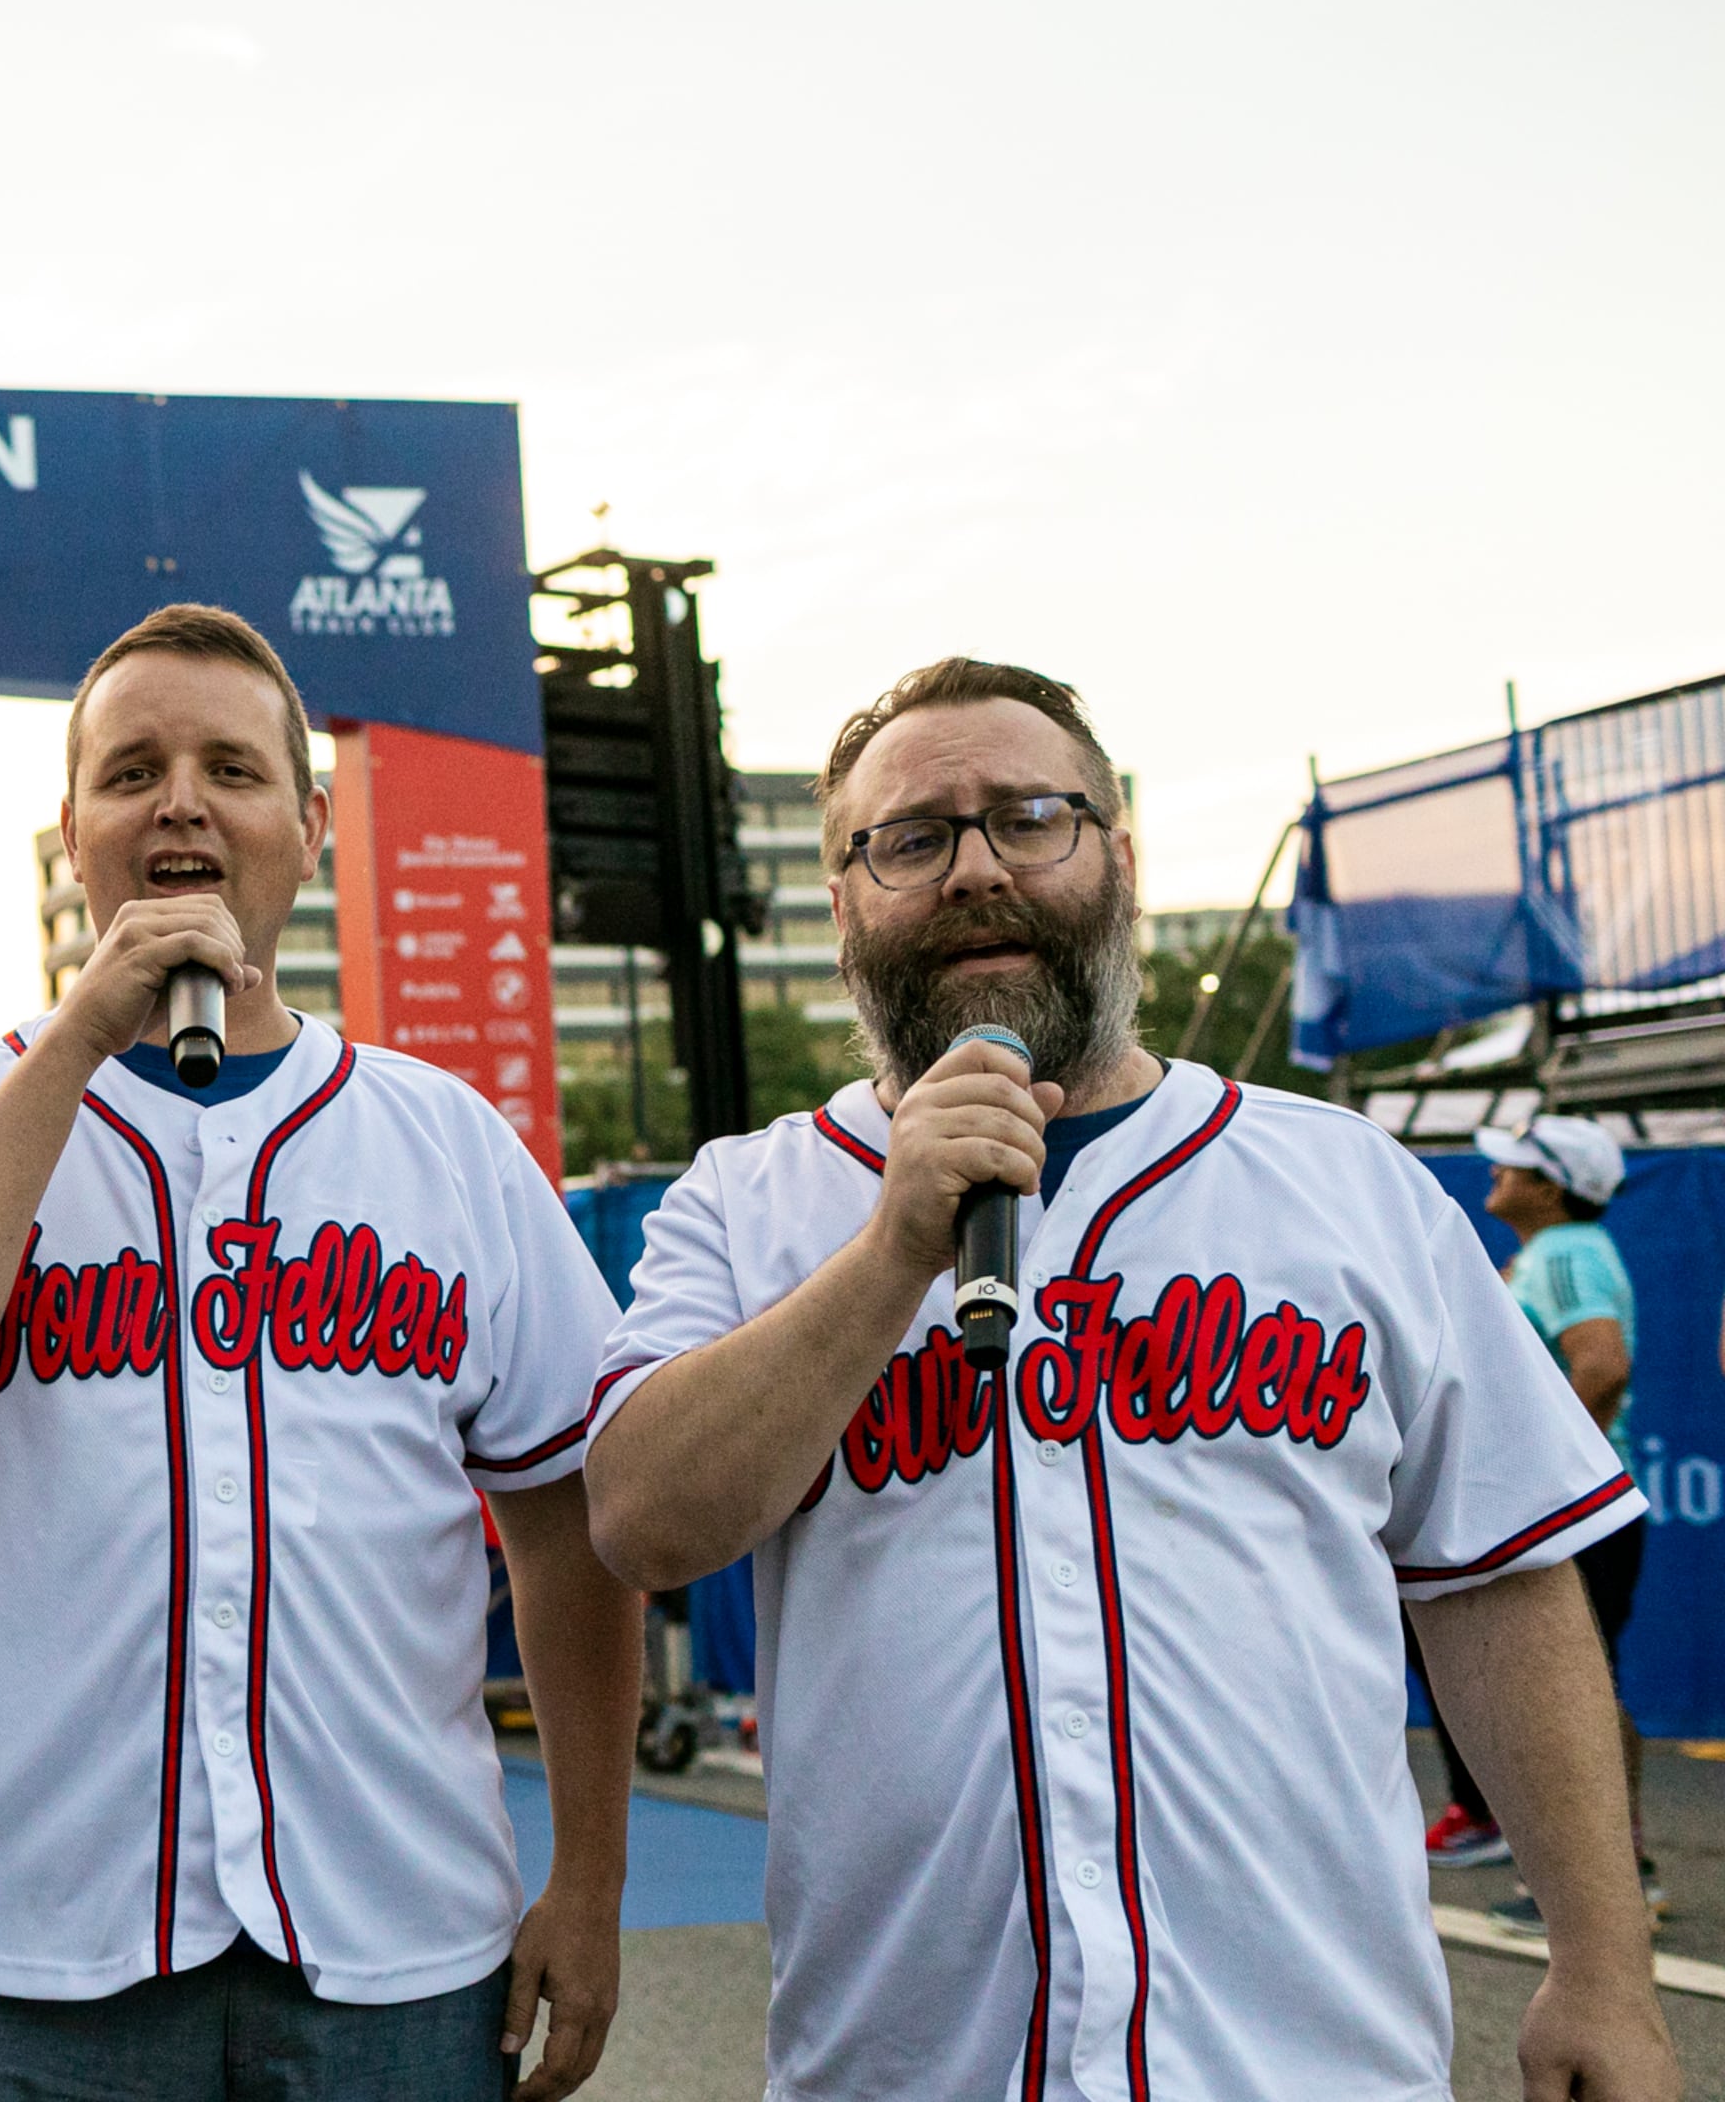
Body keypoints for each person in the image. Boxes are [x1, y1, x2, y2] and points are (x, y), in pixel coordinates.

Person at [579, 658, 1675, 2102]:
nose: (977, 868)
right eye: (911, 838)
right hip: (910, 2068)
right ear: (843, 903)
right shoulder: (746, 1202)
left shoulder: (1345, 1183)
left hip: (1306, 2063)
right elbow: (644, 1520)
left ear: (1120, 862)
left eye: (1030, 816)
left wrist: (1602, 1966)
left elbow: (1497, 1580)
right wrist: (893, 1252)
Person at [0, 605, 641, 2102]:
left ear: (309, 827)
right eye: (133, 771)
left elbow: (569, 1527)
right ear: (74, 834)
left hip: (392, 1943)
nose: (181, 799)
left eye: (232, 770)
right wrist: (81, 1036)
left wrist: (588, 1877)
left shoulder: (441, 1137)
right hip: (23, 1953)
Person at [1407, 1114, 1654, 1934]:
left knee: (1578, 1683)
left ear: (1549, 1190)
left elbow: (1603, 1363)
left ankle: (1623, 1878)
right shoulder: (1562, 1253)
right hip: (1578, 1506)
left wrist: (1534, 1474)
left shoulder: (1563, 1253)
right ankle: (1552, 1845)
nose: (1498, 1175)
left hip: (1568, 1512)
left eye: (1515, 1166)